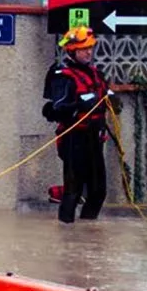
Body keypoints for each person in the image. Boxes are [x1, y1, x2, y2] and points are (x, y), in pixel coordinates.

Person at [41, 26, 119, 224]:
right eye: (84, 48)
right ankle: (66, 232)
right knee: (73, 190)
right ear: (72, 51)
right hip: (73, 138)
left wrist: (114, 103)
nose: (88, 52)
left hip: (95, 138)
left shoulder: (96, 74)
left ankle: (88, 232)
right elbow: (55, 109)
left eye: (90, 48)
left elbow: (111, 102)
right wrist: (79, 105)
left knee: (98, 190)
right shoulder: (62, 76)